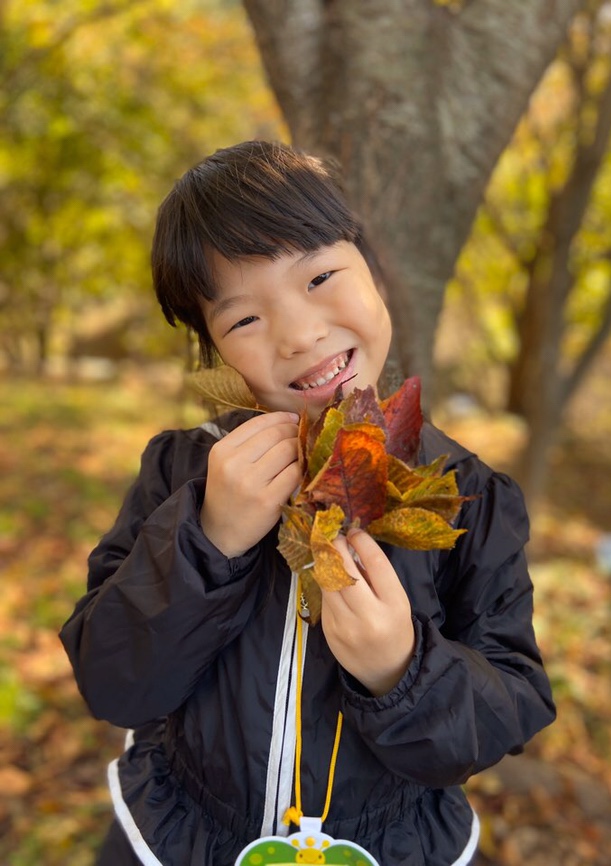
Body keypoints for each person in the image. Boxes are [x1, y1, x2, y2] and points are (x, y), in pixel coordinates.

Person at [60, 140, 555, 866]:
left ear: (377, 272)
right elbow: (113, 683)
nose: (299, 333)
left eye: (320, 276)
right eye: (243, 320)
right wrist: (207, 540)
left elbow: (512, 704)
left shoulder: (466, 497)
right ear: (214, 354)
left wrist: (402, 670)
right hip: (180, 839)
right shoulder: (182, 472)